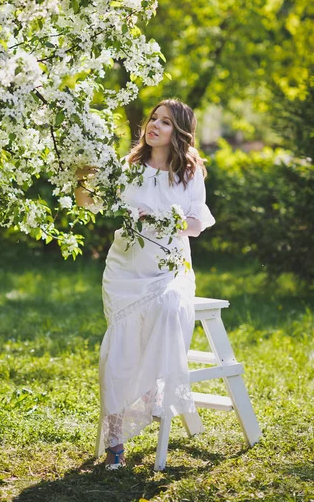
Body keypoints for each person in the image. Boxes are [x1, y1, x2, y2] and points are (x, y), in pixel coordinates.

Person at [77, 98, 215, 469]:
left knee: (169, 307)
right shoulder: (129, 167)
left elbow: (196, 225)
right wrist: (80, 176)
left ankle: (156, 388)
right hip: (125, 271)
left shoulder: (189, 172)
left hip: (170, 270)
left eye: (165, 122)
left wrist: (161, 219)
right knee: (117, 353)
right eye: (154, 118)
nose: (154, 125)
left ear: (179, 132)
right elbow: (87, 203)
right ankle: (115, 444)